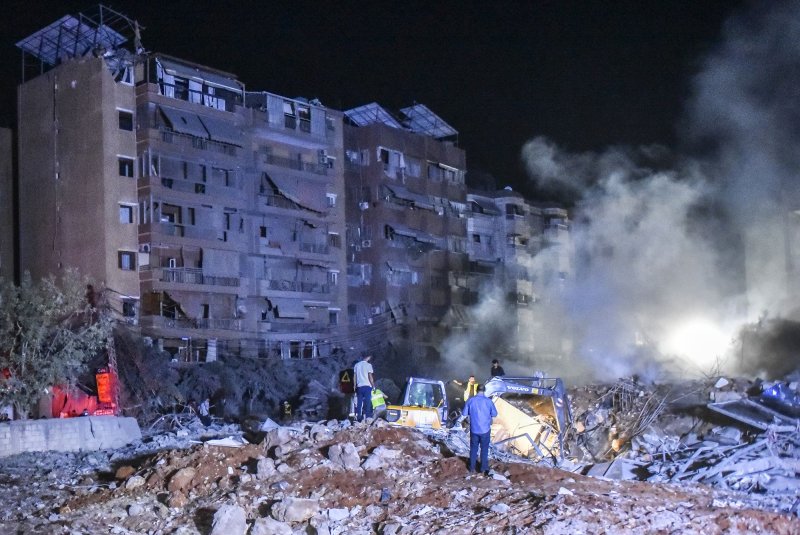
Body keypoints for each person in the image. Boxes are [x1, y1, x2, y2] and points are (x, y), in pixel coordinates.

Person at [461, 383, 497, 476]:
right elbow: (494, 414)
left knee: (473, 449)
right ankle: (483, 468)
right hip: (485, 430)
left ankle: (472, 468)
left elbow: (464, 413)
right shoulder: (489, 401)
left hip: (474, 429)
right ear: (484, 390)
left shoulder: (471, 400)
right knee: (484, 449)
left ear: (476, 390)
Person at [353, 354, 375, 421]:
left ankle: (359, 417)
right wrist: (373, 386)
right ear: (368, 358)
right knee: (368, 402)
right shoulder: (368, 365)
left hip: (359, 387)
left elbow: (354, 377)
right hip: (367, 386)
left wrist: (354, 386)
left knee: (359, 402)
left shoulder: (356, 365)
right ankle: (367, 417)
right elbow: (370, 377)